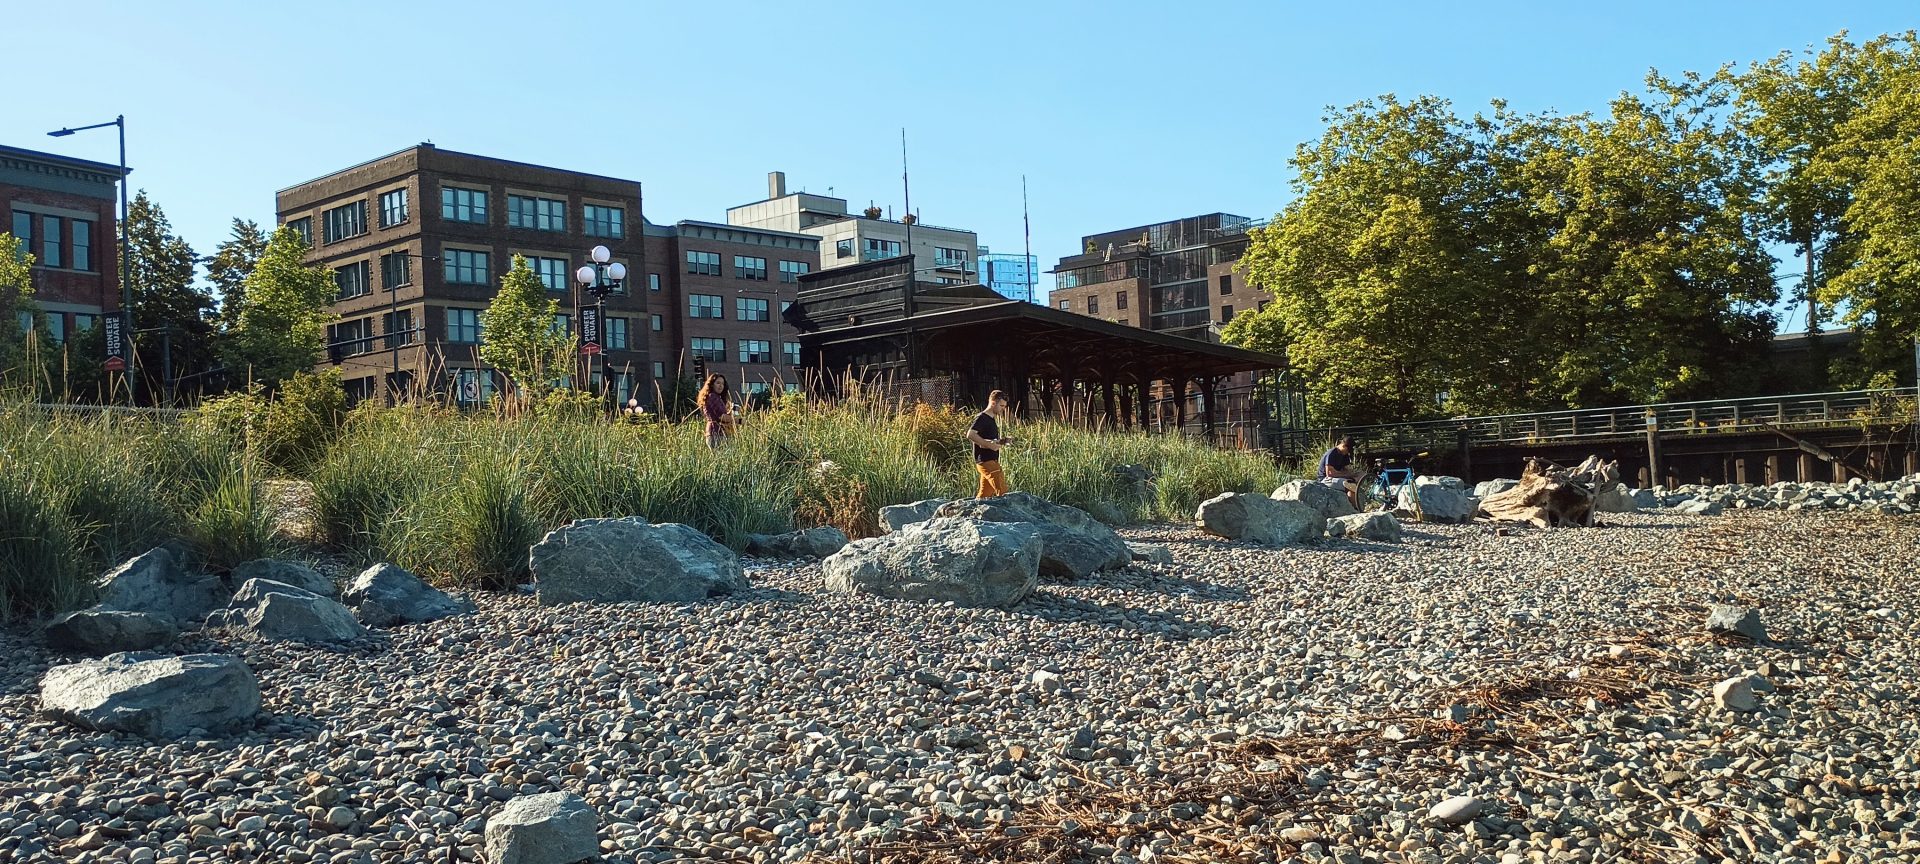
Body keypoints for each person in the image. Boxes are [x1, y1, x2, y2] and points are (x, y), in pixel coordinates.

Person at [966, 390, 1014, 499]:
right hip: (986, 461)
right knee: (1003, 492)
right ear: (993, 403)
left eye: (1004, 406)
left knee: (984, 496)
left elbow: (990, 440)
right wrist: (986, 444)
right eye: (1001, 405)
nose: (1003, 409)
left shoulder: (991, 419)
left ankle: (973, 513)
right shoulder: (982, 418)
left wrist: (1004, 441)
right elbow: (970, 434)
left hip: (989, 461)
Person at [1318, 435, 1360, 507]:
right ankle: (1356, 508)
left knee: (1352, 483)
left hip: (1336, 478)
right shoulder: (1332, 453)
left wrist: (1355, 475)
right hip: (1325, 479)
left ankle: (1355, 508)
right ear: (1343, 446)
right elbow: (1330, 473)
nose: (1348, 452)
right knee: (1349, 485)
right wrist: (1347, 475)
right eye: (1347, 450)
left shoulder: (1344, 454)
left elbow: (1347, 470)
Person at [696, 374, 734, 449]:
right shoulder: (712, 397)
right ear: (712, 385)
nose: (721, 386)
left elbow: (720, 415)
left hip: (716, 432)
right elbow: (722, 417)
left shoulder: (716, 397)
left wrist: (731, 412)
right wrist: (739, 420)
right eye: (718, 383)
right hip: (716, 433)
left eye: (722, 384)